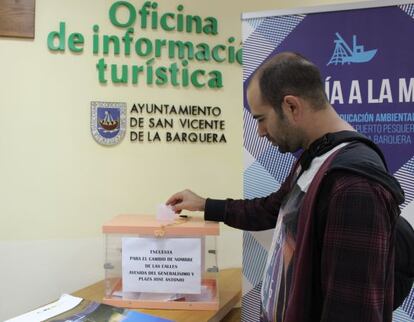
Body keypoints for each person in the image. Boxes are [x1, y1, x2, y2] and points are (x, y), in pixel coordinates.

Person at [166, 52, 405, 322]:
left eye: (260, 118)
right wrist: (205, 204)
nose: (260, 131)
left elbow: (351, 313)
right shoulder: (317, 158)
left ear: (291, 106)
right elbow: (271, 209)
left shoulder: (354, 186)